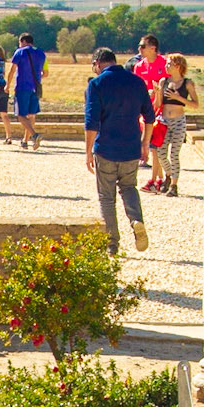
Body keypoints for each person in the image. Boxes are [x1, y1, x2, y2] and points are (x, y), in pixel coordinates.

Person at [84, 46, 153, 253]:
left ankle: (111, 243)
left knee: (106, 197)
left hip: (105, 147)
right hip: (131, 147)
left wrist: (88, 151)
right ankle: (135, 221)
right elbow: (149, 117)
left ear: (97, 63)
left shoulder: (96, 84)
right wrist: (145, 143)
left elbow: (91, 122)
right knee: (129, 188)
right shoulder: (136, 81)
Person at [159, 53, 198, 196]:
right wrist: (156, 93)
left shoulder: (187, 83)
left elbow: (195, 104)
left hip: (178, 120)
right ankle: (168, 174)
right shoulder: (163, 81)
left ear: (177, 66)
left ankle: (174, 185)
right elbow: (158, 103)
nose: (166, 66)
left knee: (174, 154)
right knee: (161, 153)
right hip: (164, 120)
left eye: (169, 63)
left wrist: (178, 98)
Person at [10, 32, 45, 149]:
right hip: (35, 87)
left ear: (24, 41)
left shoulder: (20, 52)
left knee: (20, 115)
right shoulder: (41, 53)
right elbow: (43, 71)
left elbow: (12, 70)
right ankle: (25, 141)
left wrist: (7, 85)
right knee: (31, 115)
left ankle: (34, 135)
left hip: (22, 87)